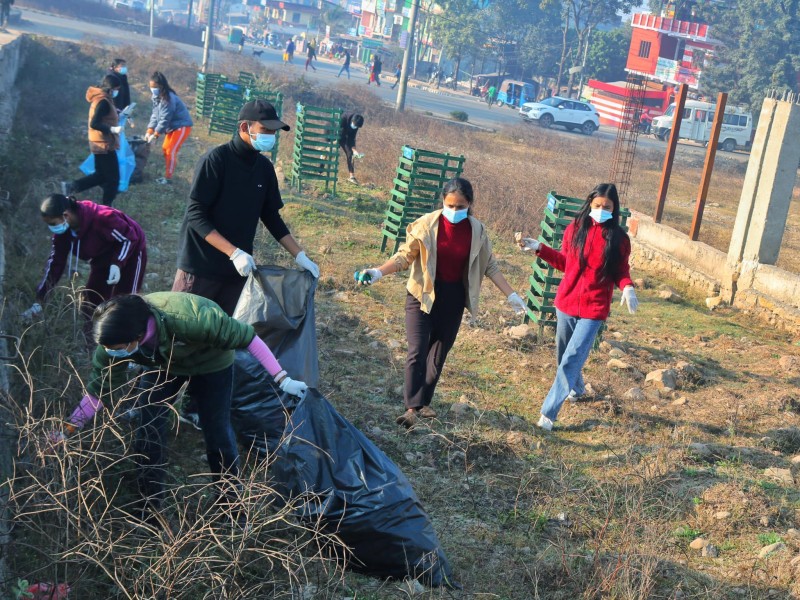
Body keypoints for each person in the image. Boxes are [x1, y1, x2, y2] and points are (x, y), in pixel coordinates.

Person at [59, 292, 309, 518]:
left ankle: (230, 506)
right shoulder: (113, 341)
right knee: (149, 429)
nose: (109, 352)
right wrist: (69, 430)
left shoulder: (193, 319)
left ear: (136, 336)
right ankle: (149, 506)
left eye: (115, 349)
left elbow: (248, 338)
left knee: (217, 432)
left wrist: (282, 379)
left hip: (212, 362)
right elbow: (100, 390)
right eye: (106, 349)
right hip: (163, 366)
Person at [172, 99, 319, 428]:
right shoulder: (216, 161)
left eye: (274, 132)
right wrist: (233, 251)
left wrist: (300, 254)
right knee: (184, 337)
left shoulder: (264, 169)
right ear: (245, 128)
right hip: (201, 266)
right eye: (265, 130)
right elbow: (196, 213)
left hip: (236, 274)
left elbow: (271, 217)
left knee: (220, 341)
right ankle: (158, 401)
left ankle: (196, 406)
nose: (270, 137)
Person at [356, 177, 527, 428]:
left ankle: (425, 402)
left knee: (438, 354)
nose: (454, 211)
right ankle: (411, 408)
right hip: (422, 294)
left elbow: (490, 265)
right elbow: (405, 256)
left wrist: (511, 295)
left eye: (460, 206)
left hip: (453, 298)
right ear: (443, 202)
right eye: (450, 205)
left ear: (469, 203)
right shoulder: (427, 225)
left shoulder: (477, 231)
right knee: (417, 350)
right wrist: (379, 271)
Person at [517, 183, 638, 431]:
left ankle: (548, 414)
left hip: (594, 309)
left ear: (614, 209)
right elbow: (565, 263)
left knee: (572, 358)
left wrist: (627, 286)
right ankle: (578, 387)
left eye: (607, 207)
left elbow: (620, 271)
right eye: (597, 205)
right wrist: (539, 248)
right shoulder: (575, 229)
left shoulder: (619, 239)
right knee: (563, 354)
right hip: (567, 302)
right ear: (590, 204)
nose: (601, 210)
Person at [22, 194, 147, 333]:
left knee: (125, 299)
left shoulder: (102, 218)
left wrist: (117, 264)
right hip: (101, 256)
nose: (52, 228)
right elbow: (55, 263)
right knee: (92, 299)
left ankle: (130, 336)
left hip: (130, 251)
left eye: (52, 223)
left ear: (66, 215)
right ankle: (93, 335)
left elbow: (129, 239)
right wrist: (41, 298)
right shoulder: (63, 234)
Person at [61, 74, 123, 206]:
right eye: (116, 89)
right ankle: (107, 207)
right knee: (113, 179)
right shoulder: (103, 101)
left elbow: (104, 117)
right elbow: (95, 123)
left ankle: (71, 187)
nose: (117, 92)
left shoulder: (103, 98)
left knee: (100, 176)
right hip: (104, 144)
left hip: (100, 143)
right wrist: (112, 129)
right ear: (110, 89)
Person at [145, 71, 193, 185]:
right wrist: (150, 130)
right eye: (151, 87)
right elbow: (155, 114)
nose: (152, 89)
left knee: (171, 150)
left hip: (182, 126)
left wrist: (156, 134)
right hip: (172, 128)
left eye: (154, 87)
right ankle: (167, 175)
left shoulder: (168, 98)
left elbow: (165, 118)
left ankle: (168, 178)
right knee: (165, 148)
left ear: (161, 86)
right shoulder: (156, 97)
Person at [339, 112, 364, 184]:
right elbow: (338, 131)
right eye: (355, 125)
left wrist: (354, 150)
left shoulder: (356, 125)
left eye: (356, 126)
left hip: (344, 138)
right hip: (334, 133)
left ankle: (352, 177)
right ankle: (321, 166)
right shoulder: (343, 118)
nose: (355, 127)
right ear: (352, 121)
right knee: (329, 150)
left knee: (350, 154)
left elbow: (352, 138)